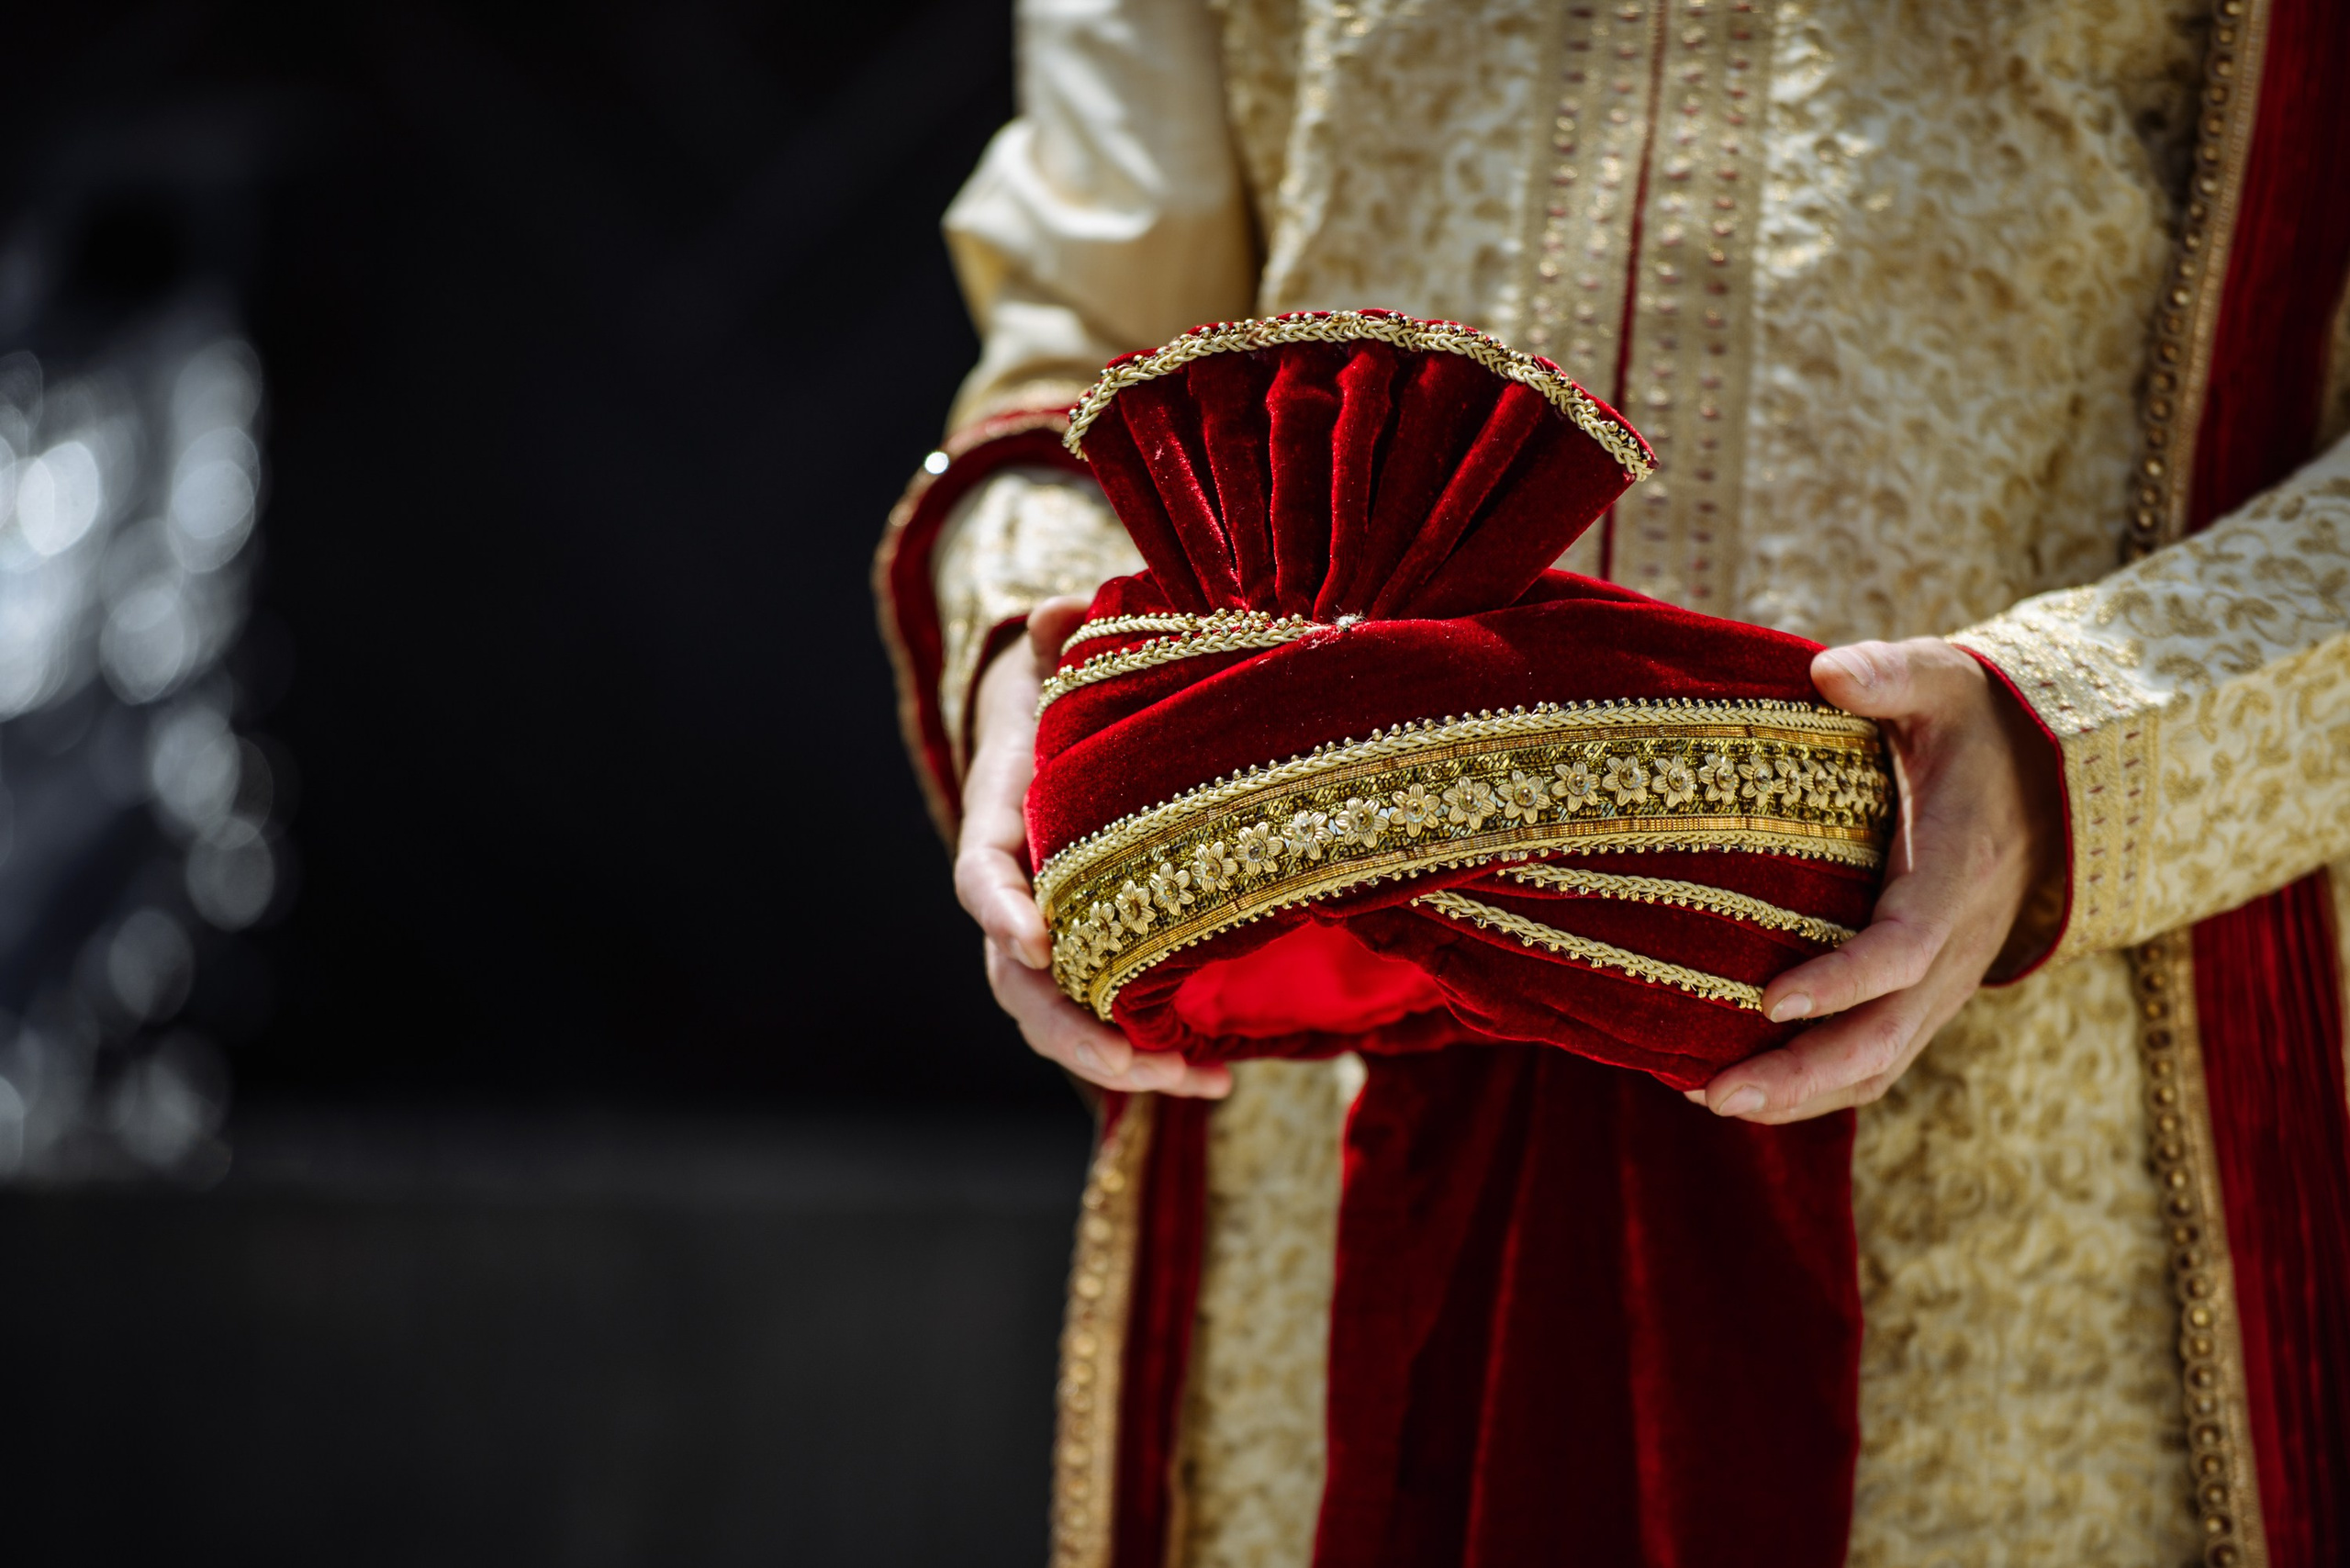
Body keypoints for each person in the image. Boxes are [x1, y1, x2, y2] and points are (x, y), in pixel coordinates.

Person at [875, 3, 2350, 1562]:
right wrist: (1035, 661)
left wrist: (2079, 746)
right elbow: (1084, 352)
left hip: (2048, 1135)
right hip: (1326, 1083)